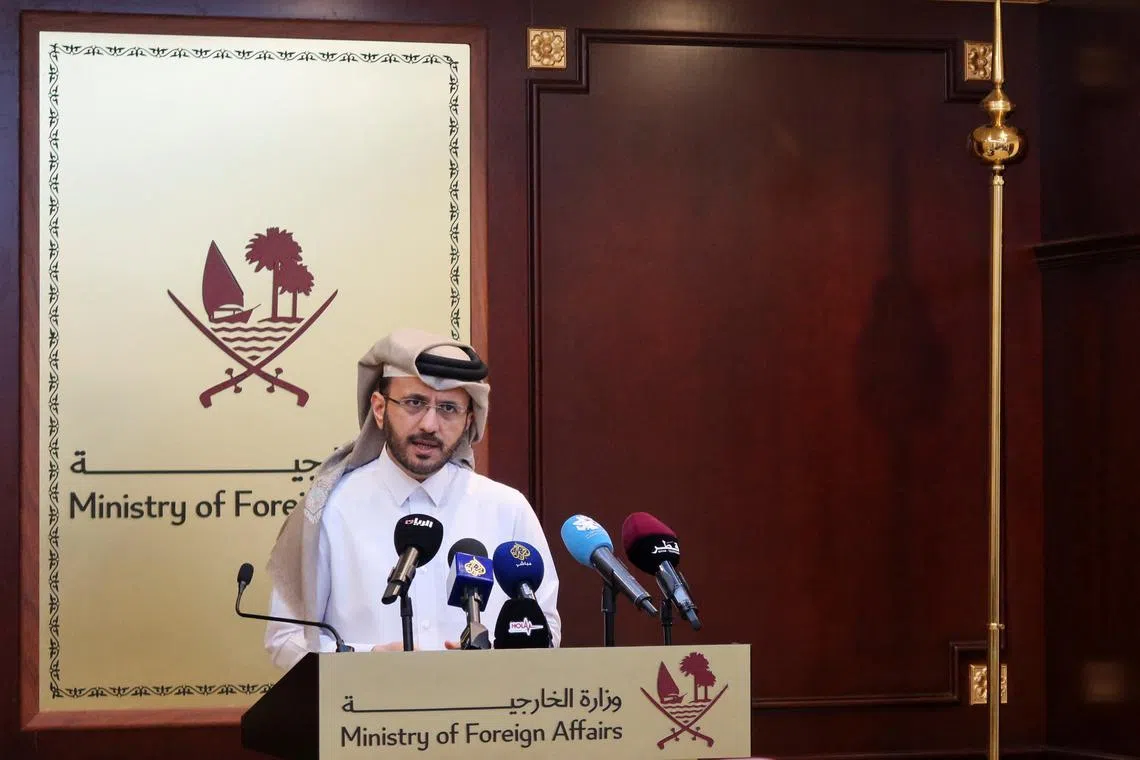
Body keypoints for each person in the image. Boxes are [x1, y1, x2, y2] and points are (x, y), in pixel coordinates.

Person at [263, 328, 561, 669]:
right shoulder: (328, 511)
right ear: (379, 408)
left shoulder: (507, 509)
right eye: (414, 403)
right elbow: (286, 641)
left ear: (468, 421)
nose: (430, 424)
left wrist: (492, 663)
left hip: (482, 719)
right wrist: (369, 661)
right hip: (364, 716)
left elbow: (546, 628)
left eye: (448, 408)